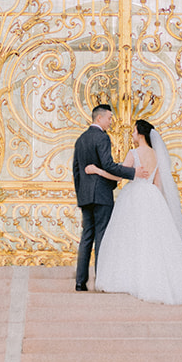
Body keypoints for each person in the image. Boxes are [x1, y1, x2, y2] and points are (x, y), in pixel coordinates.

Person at [86, 118, 182, 305]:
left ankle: (131, 277)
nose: (132, 134)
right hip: (152, 196)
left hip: (134, 195)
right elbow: (158, 183)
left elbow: (119, 174)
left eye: (133, 131)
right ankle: (153, 276)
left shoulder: (134, 153)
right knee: (152, 239)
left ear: (140, 133)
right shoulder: (156, 155)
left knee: (130, 237)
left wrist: (97, 170)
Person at [71, 103, 138, 291]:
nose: (111, 121)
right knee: (102, 237)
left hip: (85, 196)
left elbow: (76, 171)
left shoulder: (81, 139)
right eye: (109, 118)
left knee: (86, 238)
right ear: (99, 118)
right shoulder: (102, 137)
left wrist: (81, 194)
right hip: (101, 195)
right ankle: (101, 279)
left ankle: (80, 282)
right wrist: (131, 172)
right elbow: (108, 165)